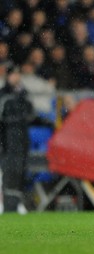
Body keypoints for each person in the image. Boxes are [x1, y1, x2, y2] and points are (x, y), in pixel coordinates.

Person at [0, 66, 34, 213]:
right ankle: (6, 204)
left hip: (22, 139)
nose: (15, 77)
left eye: (17, 74)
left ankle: (18, 203)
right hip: (7, 139)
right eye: (13, 74)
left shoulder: (24, 94)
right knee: (8, 172)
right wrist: (17, 120)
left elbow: (31, 113)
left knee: (21, 171)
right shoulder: (3, 95)